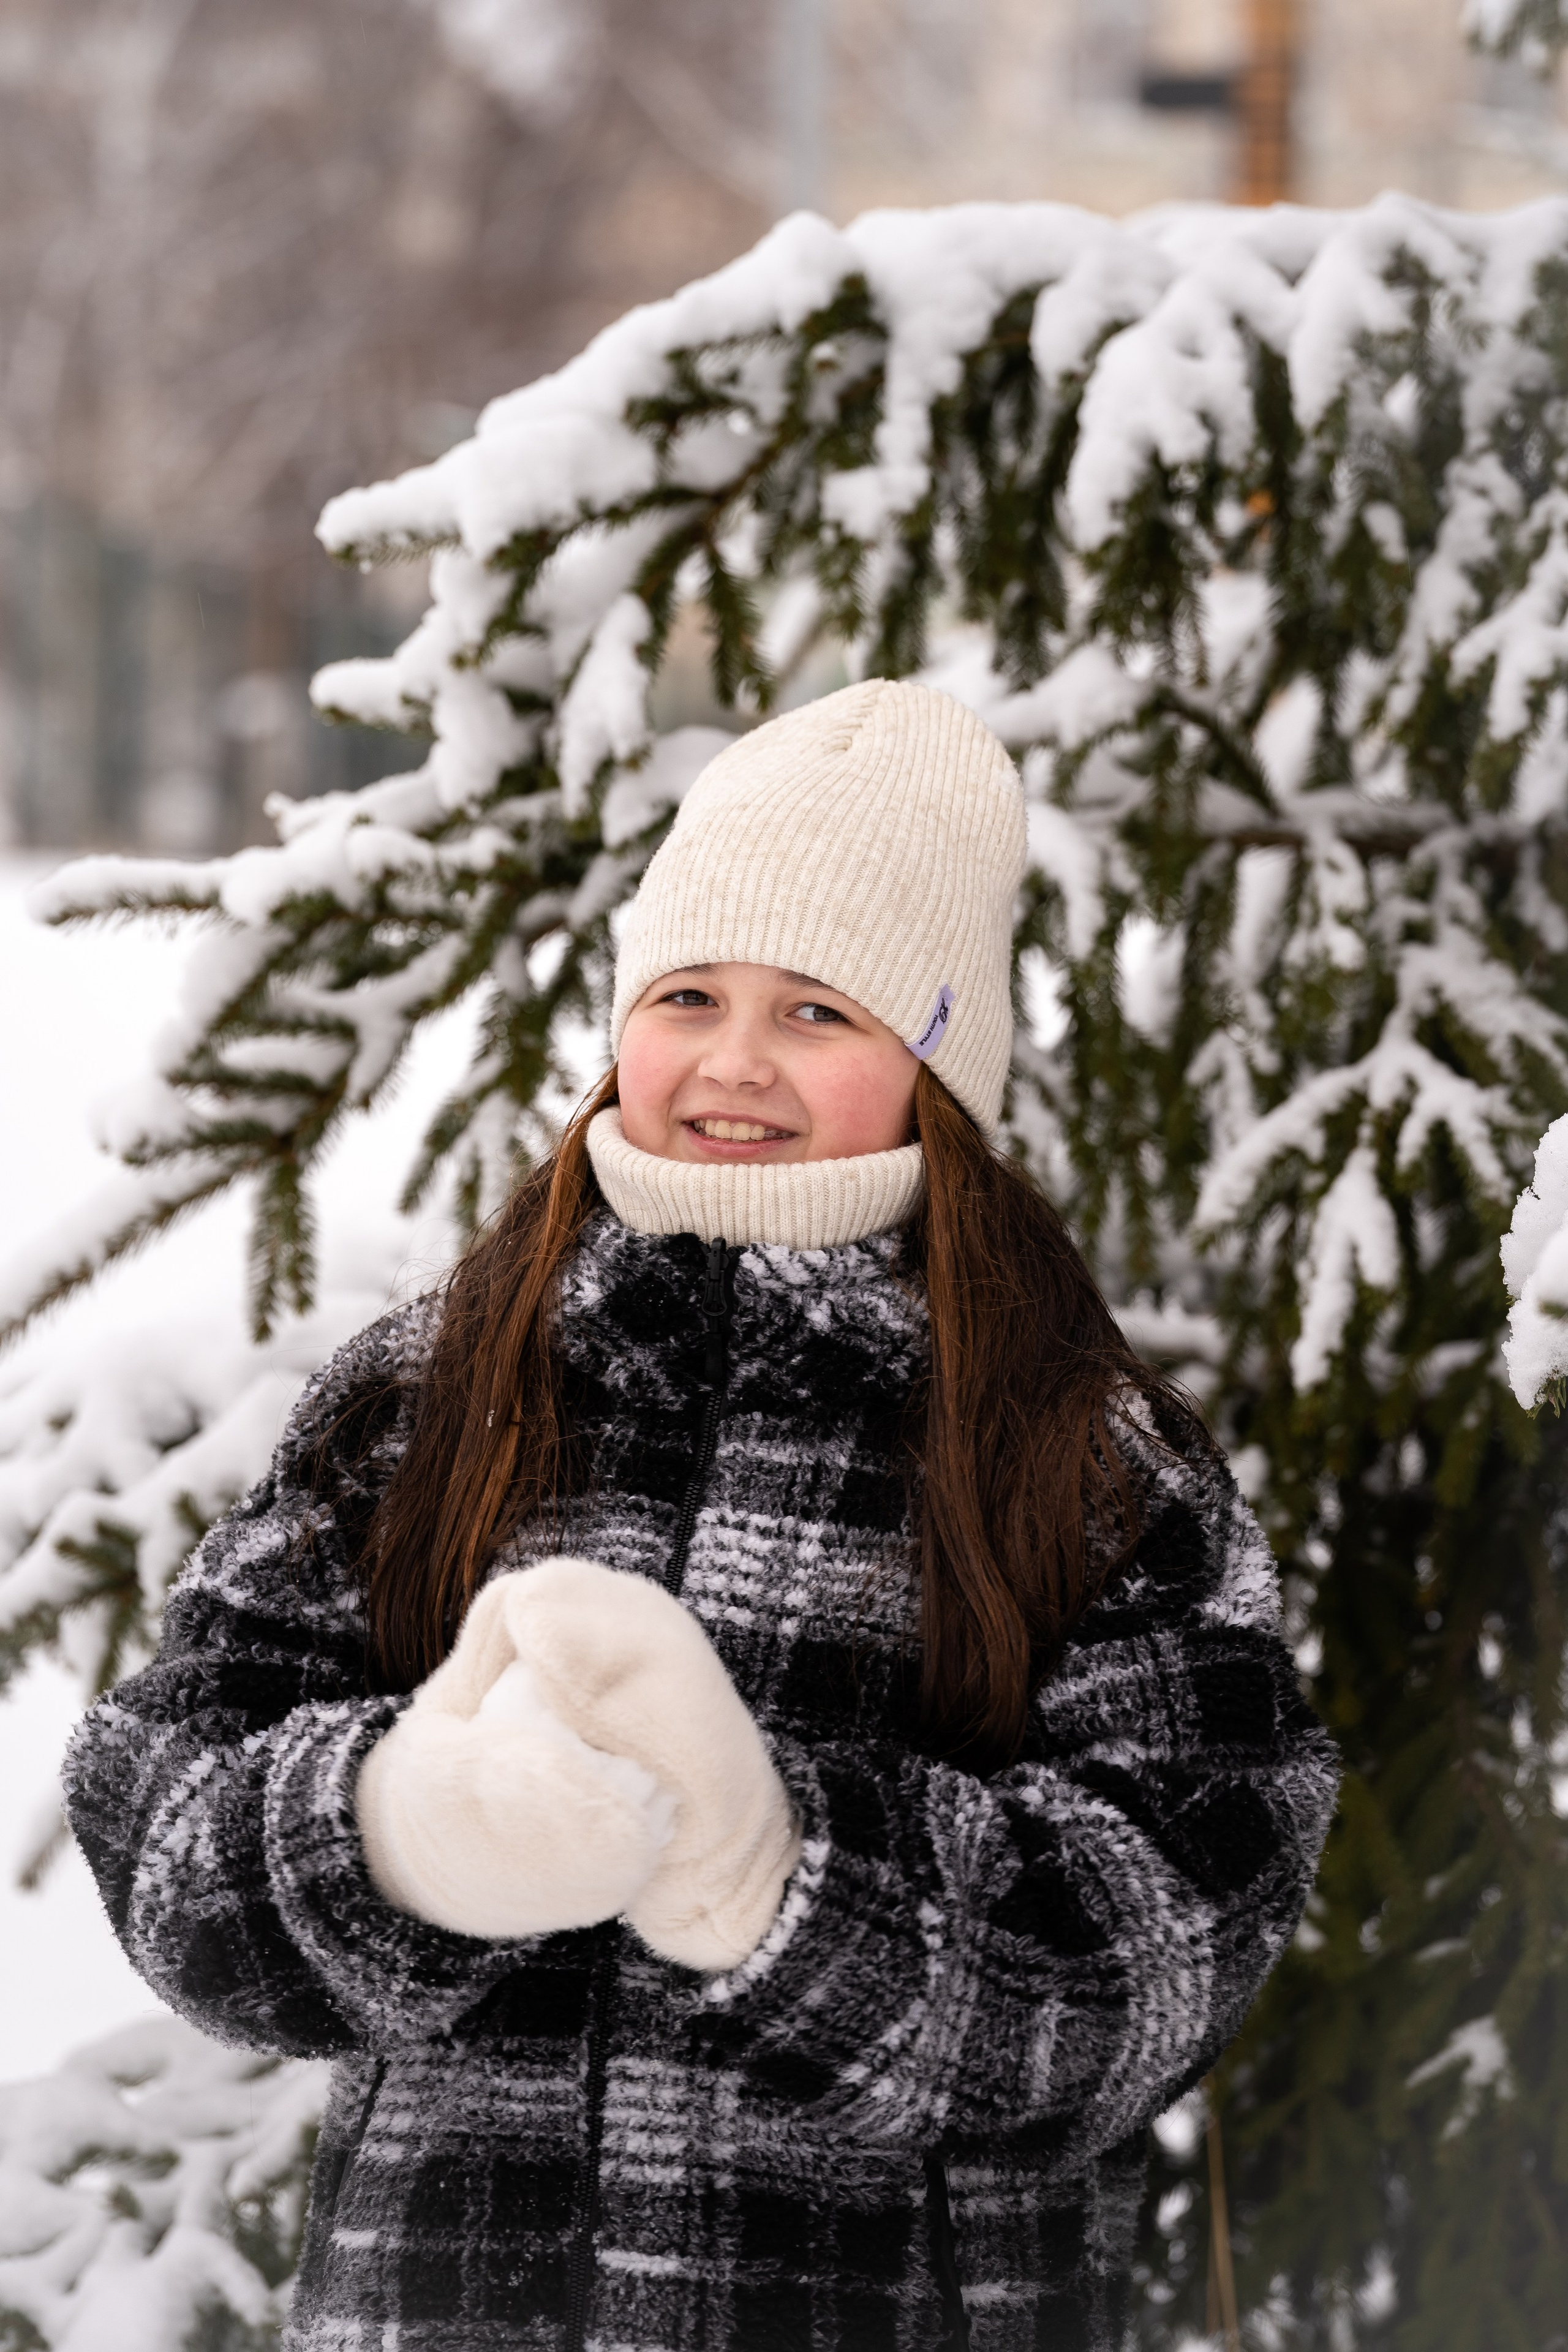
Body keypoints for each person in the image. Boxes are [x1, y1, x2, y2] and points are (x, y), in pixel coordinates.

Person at [64, 679, 1339, 2352]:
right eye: (687, 996)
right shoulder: (432, 1393)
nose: (734, 1063)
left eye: (818, 1010)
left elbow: (1168, 1950)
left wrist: (776, 1874)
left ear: (939, 1058)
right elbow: (162, 1818)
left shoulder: (1082, 1457)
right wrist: (391, 1834)